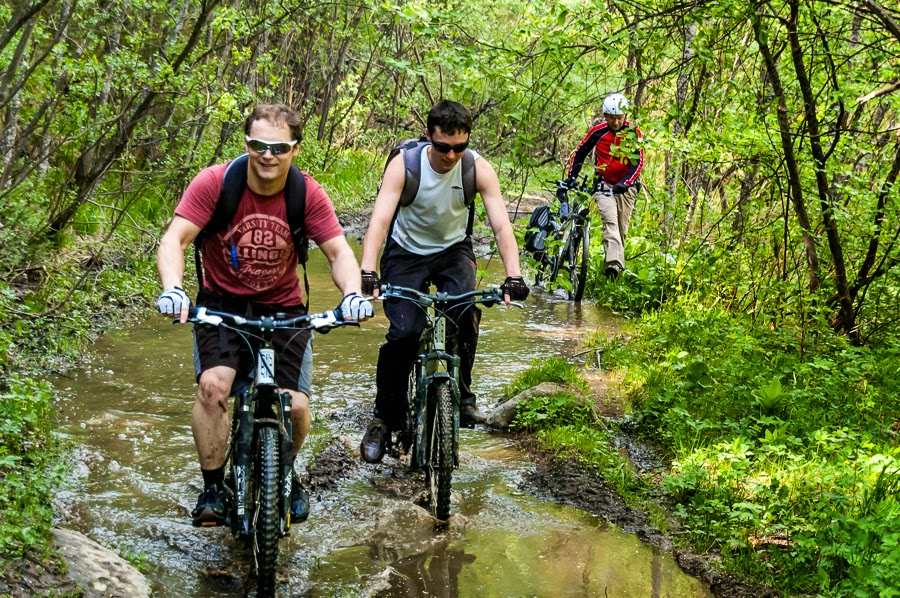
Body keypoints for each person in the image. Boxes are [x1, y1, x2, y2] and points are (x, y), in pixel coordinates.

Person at [155, 104, 373, 526]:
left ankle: (285, 474)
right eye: (258, 145)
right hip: (222, 304)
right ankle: (213, 489)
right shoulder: (215, 184)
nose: (267, 155)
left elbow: (338, 251)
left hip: (285, 307)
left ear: (295, 149)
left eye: (278, 147)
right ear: (246, 144)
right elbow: (175, 240)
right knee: (214, 388)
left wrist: (351, 295)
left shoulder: (306, 193)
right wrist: (174, 289)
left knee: (295, 407)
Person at [357, 100, 529, 464]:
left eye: (459, 147)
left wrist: (514, 275)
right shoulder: (404, 166)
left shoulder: (477, 168)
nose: (451, 155)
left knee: (465, 312)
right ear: (428, 137)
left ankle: (463, 398)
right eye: (443, 147)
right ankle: (384, 419)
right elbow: (379, 221)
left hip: (453, 251)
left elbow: (501, 224)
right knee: (404, 333)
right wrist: (368, 271)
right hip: (405, 252)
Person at [565, 93, 644, 278]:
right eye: (612, 118)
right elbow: (581, 151)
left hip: (627, 186)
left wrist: (625, 183)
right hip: (604, 184)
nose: (616, 122)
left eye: (619, 118)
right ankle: (613, 267)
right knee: (610, 223)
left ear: (625, 116)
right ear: (605, 116)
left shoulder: (634, 132)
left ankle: (612, 271)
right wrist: (572, 176)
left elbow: (638, 162)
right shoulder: (598, 131)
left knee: (621, 230)